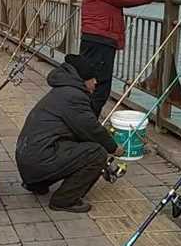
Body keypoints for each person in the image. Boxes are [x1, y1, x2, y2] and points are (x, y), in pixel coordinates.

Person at [15, 54, 124, 213]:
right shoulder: (74, 97)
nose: (96, 82)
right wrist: (113, 148)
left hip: (28, 160)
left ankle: (37, 184)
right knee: (96, 153)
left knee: (76, 145)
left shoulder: (62, 90)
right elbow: (92, 129)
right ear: (83, 80)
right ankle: (64, 200)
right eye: (92, 78)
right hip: (37, 161)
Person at [78, 0, 157, 118]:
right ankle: (87, 126)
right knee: (100, 88)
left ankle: (83, 122)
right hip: (101, 42)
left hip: (94, 40)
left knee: (90, 83)